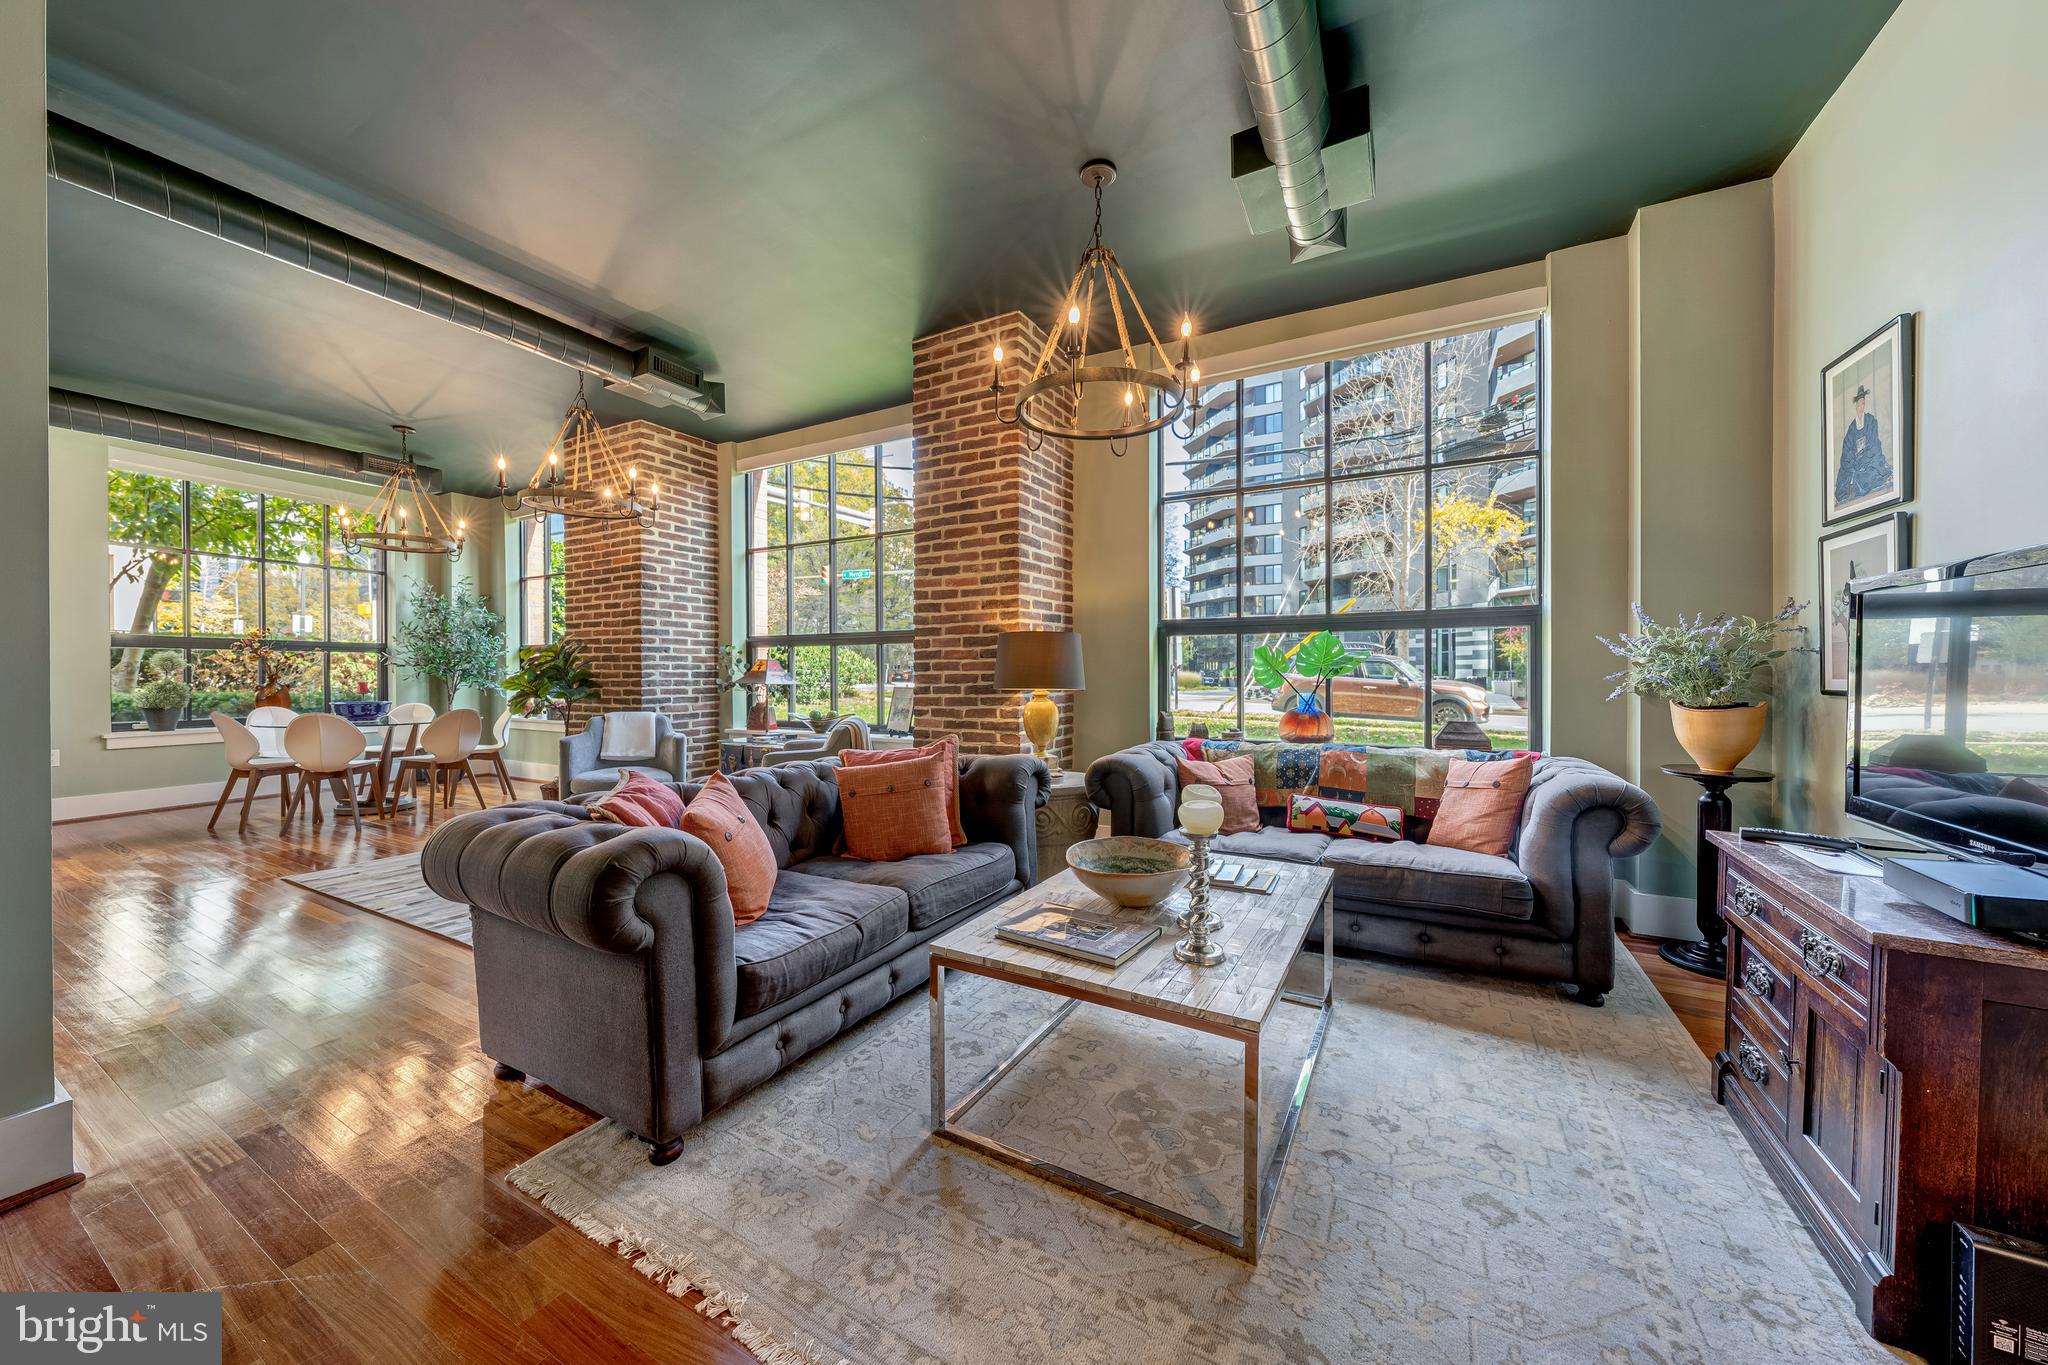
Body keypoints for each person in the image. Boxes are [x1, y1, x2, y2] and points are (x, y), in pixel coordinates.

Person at [1834, 383, 1891, 506]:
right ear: (1856, 406)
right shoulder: (1851, 428)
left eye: (1863, 404)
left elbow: (1874, 444)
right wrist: (1854, 463)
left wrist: (1864, 460)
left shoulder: (1871, 421)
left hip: (1869, 461)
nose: (1861, 407)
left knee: (1869, 475)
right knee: (1844, 481)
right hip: (1855, 464)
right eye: (1859, 404)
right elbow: (1846, 452)